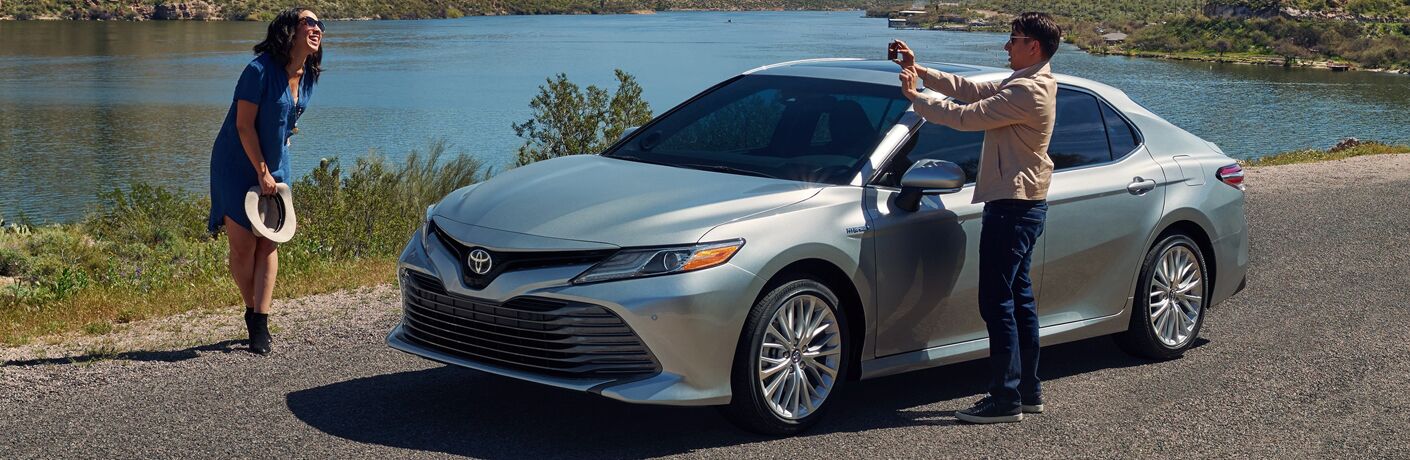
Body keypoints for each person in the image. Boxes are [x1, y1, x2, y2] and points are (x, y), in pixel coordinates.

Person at [889, 12, 1061, 424]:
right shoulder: (1025, 83)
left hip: (1013, 207)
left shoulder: (1028, 91)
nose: (1006, 45)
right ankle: (1027, 390)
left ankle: (1005, 399)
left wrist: (916, 98)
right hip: (1021, 204)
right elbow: (967, 89)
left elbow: (966, 117)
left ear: (1032, 46)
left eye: (1013, 39)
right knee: (1018, 300)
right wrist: (917, 68)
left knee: (997, 301)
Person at [207, 8, 323, 355]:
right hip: (237, 161)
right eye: (309, 22)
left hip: (276, 162)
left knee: (269, 242)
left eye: (320, 24)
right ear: (289, 30)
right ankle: (251, 310)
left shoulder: (308, 75)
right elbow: (244, 126)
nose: (317, 28)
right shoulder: (257, 71)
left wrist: (286, 134)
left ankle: (262, 321)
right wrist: (261, 170)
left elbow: (289, 114)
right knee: (243, 247)